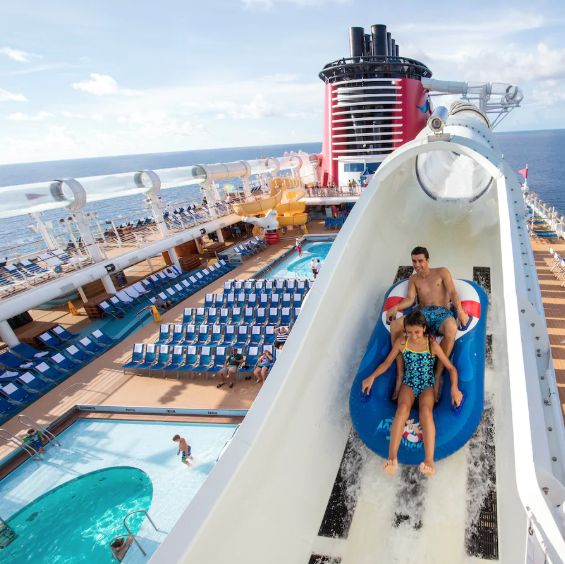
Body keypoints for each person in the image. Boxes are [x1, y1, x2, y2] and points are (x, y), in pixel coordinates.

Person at [361, 310, 462, 477]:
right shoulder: (402, 342)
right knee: (402, 409)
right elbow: (387, 363)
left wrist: (454, 388)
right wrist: (371, 377)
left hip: (427, 384)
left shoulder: (432, 345)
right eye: (409, 332)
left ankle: (429, 460)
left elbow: (451, 368)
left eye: (416, 332)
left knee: (426, 412)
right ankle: (392, 457)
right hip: (409, 382)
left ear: (424, 328)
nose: (413, 336)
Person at [387, 246, 469, 402]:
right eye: (414, 261)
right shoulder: (414, 279)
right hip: (422, 314)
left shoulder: (442, 272)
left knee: (451, 327)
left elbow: (452, 292)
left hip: (441, 313)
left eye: (420, 261)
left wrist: (460, 310)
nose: (417, 265)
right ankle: (400, 374)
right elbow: (410, 300)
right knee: (395, 325)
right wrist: (395, 307)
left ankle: (437, 377)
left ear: (428, 260)